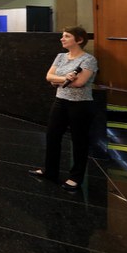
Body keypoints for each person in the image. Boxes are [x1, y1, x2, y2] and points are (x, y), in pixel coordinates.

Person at [29, 26, 98, 192]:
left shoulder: (88, 60)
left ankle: (75, 178)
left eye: (67, 36)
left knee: (79, 140)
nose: (62, 39)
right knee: (52, 136)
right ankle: (50, 171)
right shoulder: (60, 57)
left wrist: (57, 81)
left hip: (80, 104)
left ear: (79, 40)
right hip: (60, 101)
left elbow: (79, 82)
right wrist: (64, 78)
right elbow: (48, 76)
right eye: (63, 36)